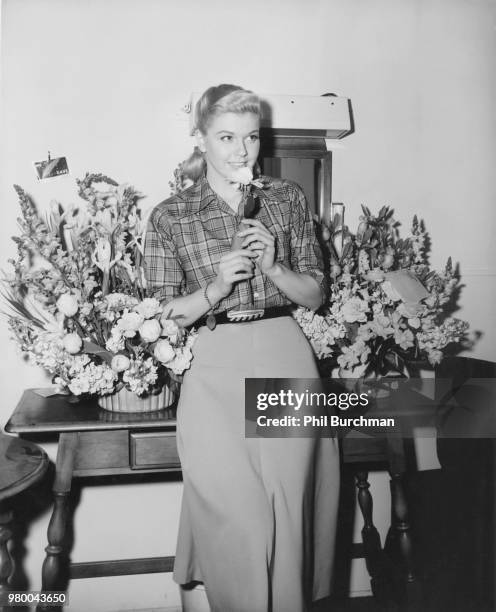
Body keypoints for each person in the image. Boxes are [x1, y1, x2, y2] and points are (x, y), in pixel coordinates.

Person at [144, 84, 339, 612]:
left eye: (250, 137)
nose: (240, 150)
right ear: (200, 138)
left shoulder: (287, 199)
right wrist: (213, 289)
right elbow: (159, 315)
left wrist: (276, 267)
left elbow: (316, 295)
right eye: (225, 136)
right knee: (238, 514)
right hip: (213, 363)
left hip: (284, 354)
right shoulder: (170, 214)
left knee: (286, 506)